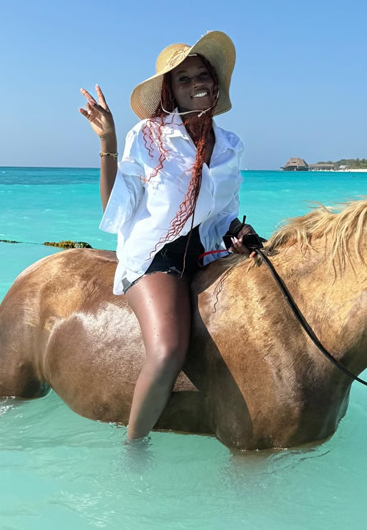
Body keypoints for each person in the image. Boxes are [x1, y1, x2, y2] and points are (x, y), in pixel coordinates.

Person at [78, 31, 256, 441]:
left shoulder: (230, 145)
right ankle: (133, 447)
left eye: (202, 76)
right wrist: (106, 140)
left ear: (215, 82)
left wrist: (237, 231)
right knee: (167, 351)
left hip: (209, 256)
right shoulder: (148, 136)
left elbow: (222, 212)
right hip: (159, 259)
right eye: (184, 80)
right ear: (170, 92)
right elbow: (115, 207)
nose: (197, 85)